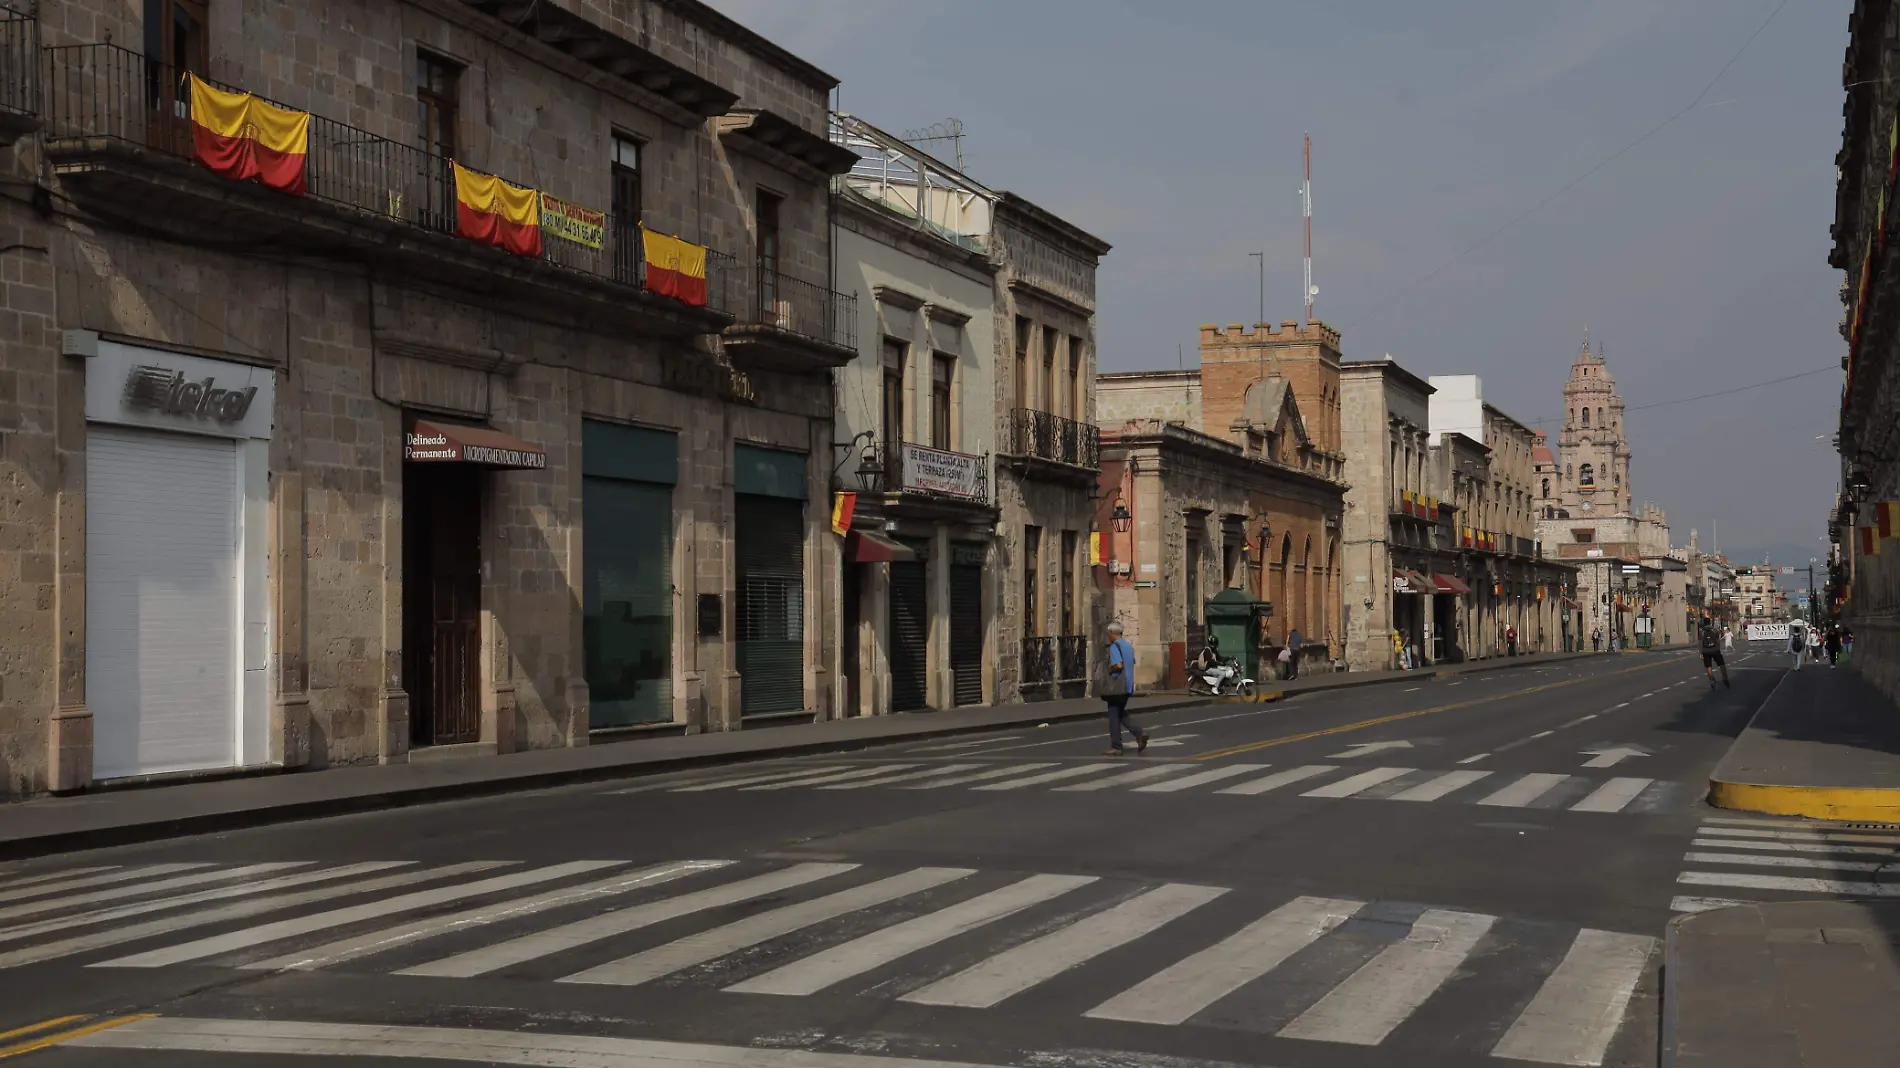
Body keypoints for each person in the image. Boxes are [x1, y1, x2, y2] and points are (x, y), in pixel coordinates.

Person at [1101, 621, 1148, 756]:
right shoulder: (1128, 646)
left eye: (1108, 634)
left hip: (1117, 686)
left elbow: (1119, 665)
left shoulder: (1114, 646)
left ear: (1111, 633)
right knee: (1120, 713)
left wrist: (1110, 669)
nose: (1108, 636)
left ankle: (1116, 746)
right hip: (1127, 685)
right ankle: (1139, 734)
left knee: (1113, 715)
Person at [1699, 618, 1730, 689]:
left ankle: (1711, 679)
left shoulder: (1702, 632)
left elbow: (1700, 643)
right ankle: (1724, 677)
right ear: (1710, 622)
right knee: (1722, 664)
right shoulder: (1715, 630)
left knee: (1708, 666)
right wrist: (1718, 649)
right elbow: (1717, 641)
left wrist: (1701, 653)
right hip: (1715, 650)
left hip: (1705, 651)